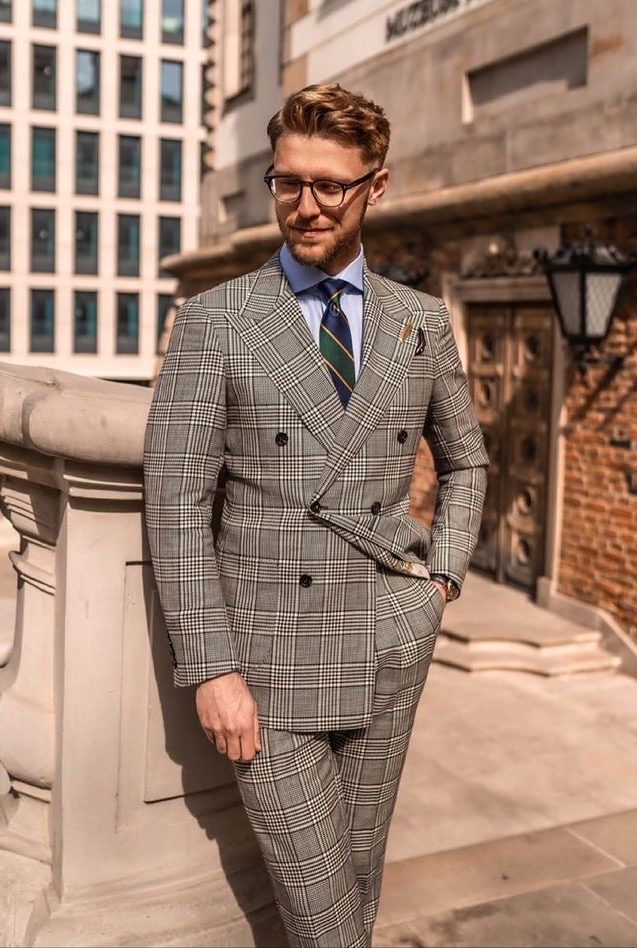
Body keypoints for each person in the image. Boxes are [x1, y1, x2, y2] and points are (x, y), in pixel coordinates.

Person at [144, 83, 488, 948]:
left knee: (359, 880)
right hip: (266, 667)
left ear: (376, 187)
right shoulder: (214, 321)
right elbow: (175, 504)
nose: (305, 205)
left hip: (390, 637)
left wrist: (439, 578)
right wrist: (212, 668)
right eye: (287, 181)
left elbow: (467, 459)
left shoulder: (420, 322)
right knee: (325, 914)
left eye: (330, 185)